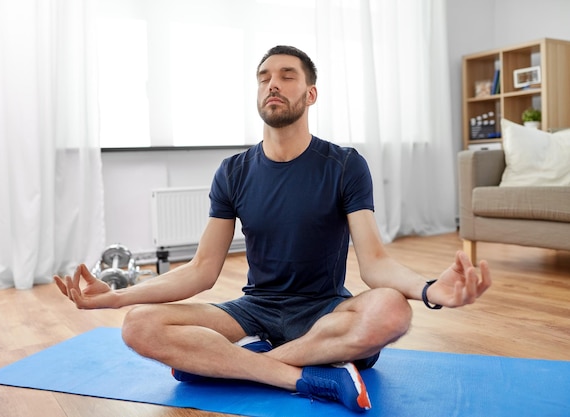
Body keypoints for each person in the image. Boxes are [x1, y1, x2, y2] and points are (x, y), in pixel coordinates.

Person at [54, 45, 491, 412]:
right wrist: (116, 298)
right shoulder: (233, 172)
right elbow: (202, 270)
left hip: (325, 311)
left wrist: (432, 290)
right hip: (255, 310)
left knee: (393, 311)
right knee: (139, 325)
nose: (272, 84)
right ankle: (305, 377)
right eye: (263, 77)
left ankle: (232, 364)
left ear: (311, 93)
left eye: (286, 75)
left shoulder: (344, 165)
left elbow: (375, 265)